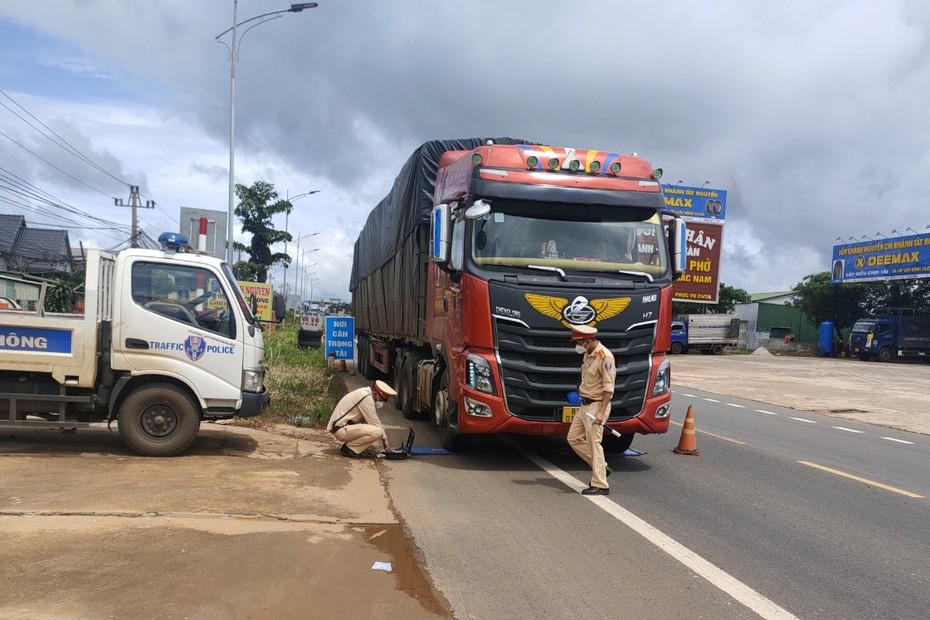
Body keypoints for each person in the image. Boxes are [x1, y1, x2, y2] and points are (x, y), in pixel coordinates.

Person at [567, 324, 616, 496]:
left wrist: (601, 413)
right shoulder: (588, 355)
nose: (577, 346)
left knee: (594, 443)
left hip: (596, 406)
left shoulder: (605, 357)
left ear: (587, 341)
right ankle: (601, 467)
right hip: (584, 405)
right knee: (573, 438)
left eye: (578, 343)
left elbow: (608, 388)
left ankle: (601, 484)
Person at [326, 379, 397, 458]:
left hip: (341, 427)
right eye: (382, 399)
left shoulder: (364, 392)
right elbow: (374, 421)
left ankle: (351, 446)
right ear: (376, 393)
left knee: (372, 427)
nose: (381, 401)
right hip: (341, 430)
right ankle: (349, 449)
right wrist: (385, 440)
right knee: (377, 432)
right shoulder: (367, 398)